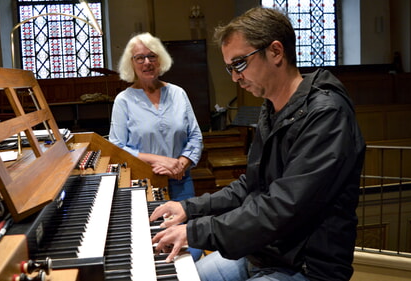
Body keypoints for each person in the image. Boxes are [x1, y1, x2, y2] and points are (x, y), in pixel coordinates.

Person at [150, 7, 366, 281]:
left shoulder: (327, 115)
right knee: (188, 277)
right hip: (265, 251)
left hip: (307, 266)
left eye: (240, 63)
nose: (234, 77)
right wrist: (188, 209)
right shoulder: (272, 109)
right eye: (230, 67)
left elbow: (282, 207)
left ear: (276, 52)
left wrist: (195, 231)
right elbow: (251, 185)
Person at [108, 32, 204, 260]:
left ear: (160, 59)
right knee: (154, 249)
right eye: (139, 58)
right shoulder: (124, 100)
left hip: (181, 180)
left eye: (151, 56)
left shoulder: (179, 93)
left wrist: (181, 162)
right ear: (131, 64)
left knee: (188, 248)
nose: (147, 62)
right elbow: (116, 147)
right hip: (143, 185)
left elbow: (195, 136)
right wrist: (158, 160)